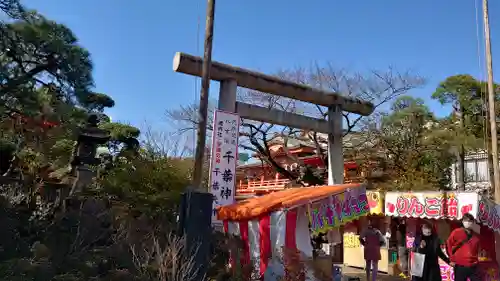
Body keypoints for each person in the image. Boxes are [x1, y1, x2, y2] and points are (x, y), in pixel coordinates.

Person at [446, 213, 481, 281]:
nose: (468, 222)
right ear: (462, 221)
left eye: (470, 221)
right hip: (460, 266)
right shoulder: (456, 232)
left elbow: (477, 250)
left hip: (473, 266)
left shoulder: (476, 236)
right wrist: (451, 258)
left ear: (473, 222)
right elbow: (448, 244)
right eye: (466, 220)